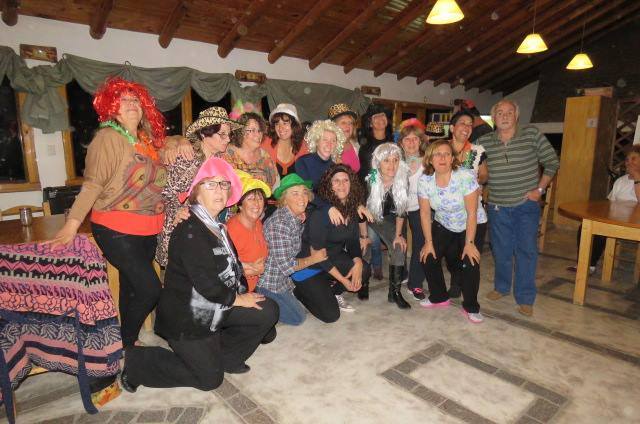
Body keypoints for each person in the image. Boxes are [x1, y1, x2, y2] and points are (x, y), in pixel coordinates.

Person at [49, 77, 188, 349]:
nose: (131, 104)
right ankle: (125, 339)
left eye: (135, 100)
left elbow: (169, 142)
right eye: (123, 100)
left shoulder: (146, 140)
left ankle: (129, 342)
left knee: (131, 287)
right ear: (112, 107)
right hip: (116, 229)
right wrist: (71, 224)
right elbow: (92, 184)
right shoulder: (108, 138)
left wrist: (180, 140)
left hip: (148, 229)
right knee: (150, 288)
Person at [119, 157, 278, 392]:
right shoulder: (190, 229)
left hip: (215, 306)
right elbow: (208, 286)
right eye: (210, 184)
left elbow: (230, 269)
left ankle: (228, 358)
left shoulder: (217, 226)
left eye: (223, 184)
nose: (219, 190)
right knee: (210, 379)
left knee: (267, 311)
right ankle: (138, 362)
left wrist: (244, 293)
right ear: (197, 193)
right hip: (189, 318)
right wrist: (239, 299)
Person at [478, 99, 559, 317]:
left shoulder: (531, 134)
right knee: (500, 250)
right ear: (493, 118)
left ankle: (525, 298)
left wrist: (540, 189)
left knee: (526, 251)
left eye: (509, 112)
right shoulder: (484, 141)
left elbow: (552, 162)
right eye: (500, 112)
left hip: (526, 206)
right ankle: (502, 287)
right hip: (497, 206)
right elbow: (469, 162)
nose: (504, 116)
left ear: (516, 115)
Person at [156, 106, 242, 267]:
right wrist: (178, 211)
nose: (228, 139)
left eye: (229, 134)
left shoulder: (223, 162)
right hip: (184, 232)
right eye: (222, 134)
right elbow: (166, 193)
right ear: (204, 133)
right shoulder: (187, 158)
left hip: (210, 235)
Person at [291, 164, 370, 321]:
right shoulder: (320, 213)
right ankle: (299, 292)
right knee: (331, 316)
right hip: (310, 266)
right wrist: (343, 280)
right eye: (336, 181)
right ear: (329, 185)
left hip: (332, 259)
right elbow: (319, 257)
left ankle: (332, 291)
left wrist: (358, 261)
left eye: (345, 180)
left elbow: (353, 242)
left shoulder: (351, 209)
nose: (341, 184)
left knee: (364, 269)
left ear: (351, 184)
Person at [418, 140, 483, 323]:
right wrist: (428, 242)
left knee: (470, 262)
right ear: (430, 159)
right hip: (444, 223)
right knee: (427, 255)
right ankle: (439, 296)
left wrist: (469, 243)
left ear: (453, 158)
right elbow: (424, 213)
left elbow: (472, 213)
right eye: (437, 154)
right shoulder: (425, 180)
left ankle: (471, 307)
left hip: (470, 223)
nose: (442, 158)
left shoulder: (464, 176)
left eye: (447, 154)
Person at [257, 173, 328, 325]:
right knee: (298, 318)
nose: (302, 198)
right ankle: (263, 305)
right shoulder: (280, 224)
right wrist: (313, 259)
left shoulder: (295, 216)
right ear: (284, 199)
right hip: (270, 285)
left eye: (304, 192)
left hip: (286, 281)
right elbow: (287, 266)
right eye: (295, 193)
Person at [568, 145, 640, 273]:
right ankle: (586, 265)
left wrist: (637, 178)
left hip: (634, 224)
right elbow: (610, 203)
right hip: (616, 220)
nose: (629, 162)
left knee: (601, 230)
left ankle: (589, 265)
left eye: (633, 159)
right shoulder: (621, 181)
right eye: (627, 160)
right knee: (586, 226)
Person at [447, 111, 489, 298]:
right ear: (452, 128)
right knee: (451, 253)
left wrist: (476, 183)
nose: (466, 127)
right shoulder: (441, 149)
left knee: (471, 255)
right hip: (448, 213)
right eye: (462, 123)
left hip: (473, 211)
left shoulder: (477, 150)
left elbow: (484, 175)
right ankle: (456, 279)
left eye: (470, 124)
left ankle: (468, 293)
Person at [365, 143, 411, 309]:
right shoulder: (371, 177)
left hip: (391, 220)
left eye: (395, 160)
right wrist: (363, 235)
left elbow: (401, 211)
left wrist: (398, 235)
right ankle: (364, 281)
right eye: (386, 160)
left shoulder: (402, 179)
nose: (392, 165)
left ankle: (395, 292)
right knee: (368, 241)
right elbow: (362, 206)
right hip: (370, 217)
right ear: (378, 163)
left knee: (399, 246)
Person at [358, 103, 393, 280]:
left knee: (388, 233)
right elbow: (365, 173)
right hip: (369, 195)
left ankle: (390, 265)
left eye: (382, 116)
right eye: (375, 117)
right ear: (370, 123)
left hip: (391, 197)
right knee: (372, 234)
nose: (380, 119)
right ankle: (376, 265)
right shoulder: (365, 146)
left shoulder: (393, 143)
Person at [399, 118, 429, 301]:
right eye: (407, 139)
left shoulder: (428, 161)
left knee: (421, 242)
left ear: (420, 141)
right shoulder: (396, 161)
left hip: (420, 207)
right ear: (401, 143)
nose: (411, 143)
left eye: (415, 139)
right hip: (399, 207)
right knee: (397, 240)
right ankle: (401, 271)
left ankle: (415, 282)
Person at [227, 171, 271, 292]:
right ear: (240, 205)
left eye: (260, 198)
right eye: (251, 198)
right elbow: (223, 270)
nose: (256, 203)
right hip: (240, 291)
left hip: (261, 283)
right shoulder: (232, 230)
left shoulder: (257, 222)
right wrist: (250, 270)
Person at [223, 112, 278, 189]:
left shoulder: (265, 156)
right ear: (241, 132)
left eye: (259, 131)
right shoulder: (227, 154)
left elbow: (275, 184)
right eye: (252, 130)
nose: (258, 135)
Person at [294, 119, 345, 190]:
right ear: (317, 141)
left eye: (333, 141)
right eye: (325, 139)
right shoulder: (303, 162)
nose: (329, 144)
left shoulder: (336, 166)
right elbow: (306, 192)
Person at [261, 103, 308, 178]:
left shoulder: (303, 147)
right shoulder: (265, 144)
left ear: (294, 125)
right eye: (277, 124)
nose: (280, 128)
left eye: (285, 123)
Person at [328, 103, 360, 172]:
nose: (348, 126)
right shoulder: (328, 147)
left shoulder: (356, 145)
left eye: (350, 123)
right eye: (343, 123)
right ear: (333, 126)